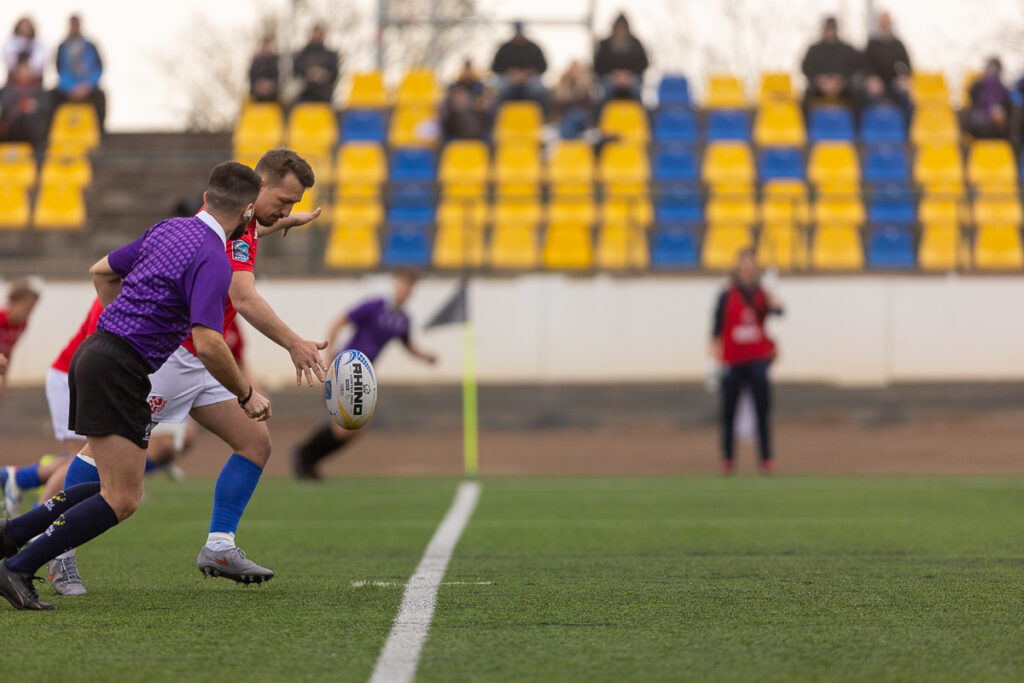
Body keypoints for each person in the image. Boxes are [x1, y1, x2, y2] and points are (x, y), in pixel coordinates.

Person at [46, 149, 326, 595]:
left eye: (293, 204)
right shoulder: (228, 237)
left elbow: (255, 230)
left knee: (254, 442)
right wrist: (294, 342)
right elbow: (245, 297)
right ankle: (54, 547)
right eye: (285, 200)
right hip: (171, 359)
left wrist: (285, 222)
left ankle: (220, 545)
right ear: (259, 189)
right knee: (99, 459)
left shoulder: (242, 225)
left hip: (205, 363)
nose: (287, 209)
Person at [0, 161, 269, 611]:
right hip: (119, 369)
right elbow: (208, 342)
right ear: (247, 211)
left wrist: (121, 326)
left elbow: (101, 271)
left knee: (108, 483)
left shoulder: (169, 229)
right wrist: (245, 393)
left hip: (97, 353)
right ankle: (19, 566)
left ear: (206, 198)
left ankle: (10, 535)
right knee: (123, 498)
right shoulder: (214, 258)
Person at [292, 272, 438, 479]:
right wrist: (330, 354)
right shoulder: (374, 306)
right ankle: (304, 456)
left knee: (355, 428)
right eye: (402, 286)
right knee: (348, 426)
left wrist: (426, 356)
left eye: (409, 289)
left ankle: (306, 457)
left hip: (362, 375)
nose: (404, 292)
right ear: (396, 285)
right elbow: (339, 322)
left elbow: (408, 344)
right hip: (347, 368)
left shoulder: (403, 320)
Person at [710, 250, 783, 475]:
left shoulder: (762, 293)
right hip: (733, 360)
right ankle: (728, 458)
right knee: (728, 412)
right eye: (743, 265)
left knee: (762, 412)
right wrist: (713, 359)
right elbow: (716, 329)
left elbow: (779, 311)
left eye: (750, 265)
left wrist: (773, 298)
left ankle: (766, 458)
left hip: (757, 359)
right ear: (737, 268)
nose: (747, 269)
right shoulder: (726, 295)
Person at [53, 14, 106, 131]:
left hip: (88, 87)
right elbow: (60, 70)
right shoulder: (62, 47)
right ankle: (48, 134)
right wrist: (70, 88)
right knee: (51, 97)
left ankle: (100, 131)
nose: (74, 28)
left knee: (100, 96)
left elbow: (98, 68)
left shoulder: (90, 46)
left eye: (76, 25)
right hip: (68, 88)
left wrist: (87, 86)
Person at [801, 16, 864, 113]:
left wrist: (841, 81)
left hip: (842, 86)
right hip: (820, 86)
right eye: (828, 29)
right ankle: (806, 122)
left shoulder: (847, 49)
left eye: (832, 29)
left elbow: (855, 67)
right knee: (806, 96)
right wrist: (820, 81)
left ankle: (856, 123)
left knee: (857, 94)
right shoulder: (814, 49)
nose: (830, 32)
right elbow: (806, 67)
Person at [491, 21, 548, 111]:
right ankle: (497, 116)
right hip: (509, 79)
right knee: (500, 89)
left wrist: (528, 73)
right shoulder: (505, 48)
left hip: (530, 79)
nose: (518, 36)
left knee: (539, 90)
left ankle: (542, 116)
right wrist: (511, 73)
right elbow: (495, 67)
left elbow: (543, 67)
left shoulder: (534, 47)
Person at [593, 12, 649, 104]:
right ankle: (600, 112)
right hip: (610, 79)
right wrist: (615, 76)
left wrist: (628, 76)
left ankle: (641, 112)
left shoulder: (636, 44)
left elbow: (644, 63)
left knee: (637, 89)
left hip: (631, 79)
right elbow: (598, 66)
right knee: (604, 93)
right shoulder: (605, 44)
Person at [0, 278, 40, 403]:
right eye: (27, 309)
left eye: (32, 309)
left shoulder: (22, 324)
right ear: (15, 303)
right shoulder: (1, 319)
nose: (29, 313)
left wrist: (4, 381)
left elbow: (8, 352)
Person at [863, 11, 911, 113]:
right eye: (882, 22)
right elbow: (865, 65)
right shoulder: (872, 44)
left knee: (906, 97)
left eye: (887, 22)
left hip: (893, 83)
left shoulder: (898, 44)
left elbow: (906, 65)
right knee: (863, 97)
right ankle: (868, 123)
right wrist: (871, 79)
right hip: (876, 83)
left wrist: (903, 78)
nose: (884, 24)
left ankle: (907, 123)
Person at [0, 55, 48, 149]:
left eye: (26, 68)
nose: (24, 72)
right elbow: (5, 107)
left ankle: (38, 150)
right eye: (22, 69)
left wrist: (34, 106)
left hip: (32, 126)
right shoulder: (7, 90)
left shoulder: (39, 90)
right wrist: (20, 107)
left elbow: (45, 107)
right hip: (12, 126)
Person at [292, 24, 339, 103]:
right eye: (315, 34)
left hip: (324, 92)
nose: (317, 36)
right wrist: (310, 73)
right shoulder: (302, 54)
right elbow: (296, 70)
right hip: (305, 91)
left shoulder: (330, 55)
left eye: (319, 34)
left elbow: (335, 74)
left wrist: (323, 74)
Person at [967, 57, 1011, 140]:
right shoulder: (978, 85)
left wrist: (1001, 115)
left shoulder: (1003, 89)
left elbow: (1006, 107)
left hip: (997, 127)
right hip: (981, 124)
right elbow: (973, 105)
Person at [553, 60, 596, 139]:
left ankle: (568, 139)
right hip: (565, 117)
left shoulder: (586, 84)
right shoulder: (562, 85)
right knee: (570, 116)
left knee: (574, 114)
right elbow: (559, 103)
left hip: (581, 116)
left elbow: (586, 102)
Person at [2, 17, 46, 82]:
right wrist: (19, 69)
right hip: (14, 80)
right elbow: (9, 58)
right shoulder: (10, 43)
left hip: (34, 80)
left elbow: (39, 61)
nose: (25, 29)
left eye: (27, 27)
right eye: (23, 27)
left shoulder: (39, 43)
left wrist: (28, 69)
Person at [248, 35, 280, 103]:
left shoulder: (277, 61)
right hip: (257, 93)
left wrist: (270, 85)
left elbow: (279, 76)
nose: (267, 48)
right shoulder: (256, 61)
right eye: (266, 46)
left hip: (274, 93)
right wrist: (259, 85)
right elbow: (252, 77)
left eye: (269, 46)